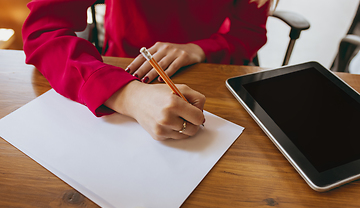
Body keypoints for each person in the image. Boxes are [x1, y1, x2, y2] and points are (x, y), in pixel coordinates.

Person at [22, 0, 273, 140]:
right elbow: (43, 32)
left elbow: (248, 34)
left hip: (205, 74)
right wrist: (127, 95)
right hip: (122, 68)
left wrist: (200, 49)